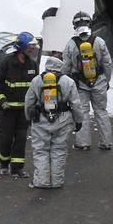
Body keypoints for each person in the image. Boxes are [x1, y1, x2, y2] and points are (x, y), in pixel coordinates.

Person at [24, 55, 82, 189]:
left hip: (40, 121)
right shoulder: (68, 82)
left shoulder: (37, 81)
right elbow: (76, 104)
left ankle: (42, 181)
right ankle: (57, 181)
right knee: (59, 150)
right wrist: (78, 120)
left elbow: (28, 102)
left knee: (41, 150)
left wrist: (28, 118)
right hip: (62, 120)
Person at [0, 31, 40, 178]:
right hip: (8, 110)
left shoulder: (33, 65)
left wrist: (36, 105)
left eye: (33, 45)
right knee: (6, 139)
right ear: (22, 46)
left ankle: (17, 168)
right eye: (30, 45)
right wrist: (2, 101)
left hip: (23, 111)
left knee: (21, 138)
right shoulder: (7, 63)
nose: (32, 48)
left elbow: (36, 87)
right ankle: (4, 163)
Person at [63, 11, 113, 150]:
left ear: (74, 25)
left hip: (80, 84)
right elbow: (107, 63)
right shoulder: (99, 41)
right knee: (101, 111)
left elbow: (66, 67)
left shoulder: (70, 45)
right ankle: (106, 142)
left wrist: (66, 86)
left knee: (82, 113)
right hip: (99, 81)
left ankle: (83, 143)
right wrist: (106, 80)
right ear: (89, 23)